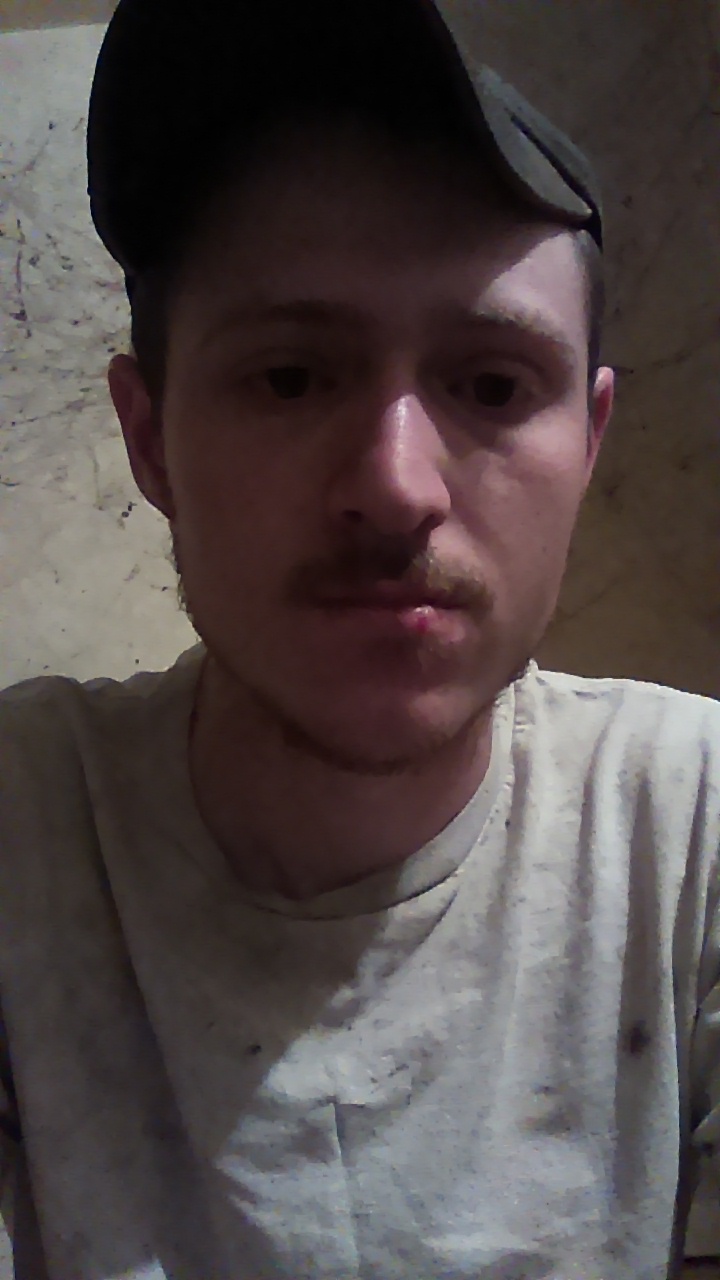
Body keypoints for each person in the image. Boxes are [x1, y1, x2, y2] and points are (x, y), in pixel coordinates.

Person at [0, 0, 718, 1276]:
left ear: (589, 442)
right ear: (152, 438)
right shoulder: (21, 831)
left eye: (491, 384)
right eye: (290, 376)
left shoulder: (698, 833)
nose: (394, 486)